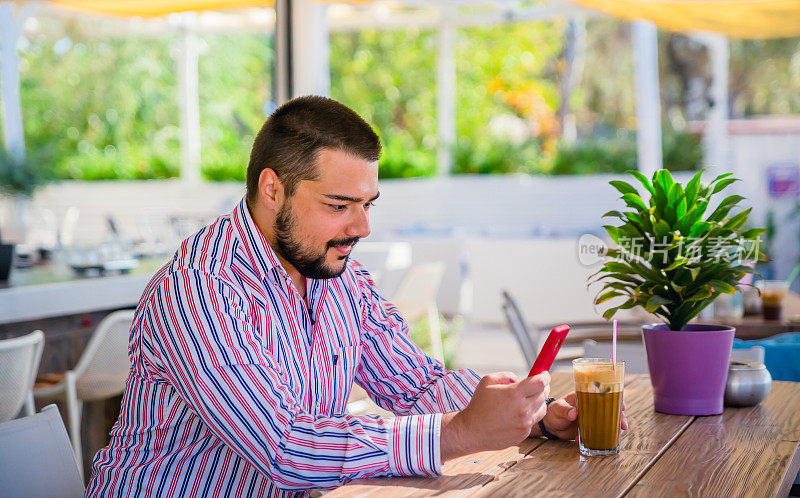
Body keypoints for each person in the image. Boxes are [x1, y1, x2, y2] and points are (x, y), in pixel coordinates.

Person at [86, 96, 625, 497]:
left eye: (369, 203)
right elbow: (285, 450)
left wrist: (529, 414)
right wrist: (460, 433)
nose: (362, 227)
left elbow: (418, 387)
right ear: (273, 190)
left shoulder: (336, 275)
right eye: (340, 205)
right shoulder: (202, 290)